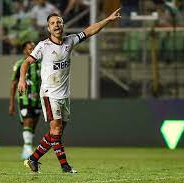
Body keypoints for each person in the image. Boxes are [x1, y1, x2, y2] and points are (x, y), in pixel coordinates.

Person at [18, 8, 121, 173]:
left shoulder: (70, 41)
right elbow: (25, 63)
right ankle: (65, 166)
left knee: (55, 134)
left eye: (58, 22)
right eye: (52, 23)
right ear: (48, 28)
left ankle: (33, 159)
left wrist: (108, 19)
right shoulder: (43, 46)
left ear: (63, 25)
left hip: (64, 95)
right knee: (56, 130)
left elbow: (90, 30)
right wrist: (22, 79)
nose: (56, 25)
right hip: (49, 94)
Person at [9, 41, 42, 160]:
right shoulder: (19, 64)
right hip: (24, 98)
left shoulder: (41, 64)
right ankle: (27, 148)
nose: (32, 50)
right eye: (30, 49)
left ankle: (27, 147)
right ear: (24, 51)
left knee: (33, 124)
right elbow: (13, 84)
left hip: (38, 99)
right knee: (27, 120)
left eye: (34, 48)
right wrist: (12, 104)